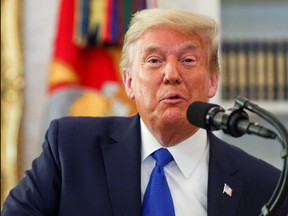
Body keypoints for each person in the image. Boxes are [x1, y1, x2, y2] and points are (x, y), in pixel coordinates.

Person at [2, 8, 287, 216]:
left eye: (188, 60)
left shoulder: (264, 184)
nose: (171, 74)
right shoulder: (70, 148)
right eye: (154, 60)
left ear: (212, 81)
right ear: (128, 82)